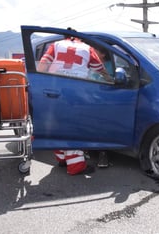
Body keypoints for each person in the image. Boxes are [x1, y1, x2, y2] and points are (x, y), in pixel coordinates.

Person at [38, 30, 111, 175]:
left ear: (65, 36)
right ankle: (76, 166)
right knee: (74, 128)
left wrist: (41, 84)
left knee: (59, 127)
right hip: (75, 92)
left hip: (55, 92)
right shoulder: (87, 48)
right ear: (79, 38)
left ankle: (62, 159)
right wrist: (110, 80)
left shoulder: (56, 45)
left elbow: (43, 64)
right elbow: (99, 68)